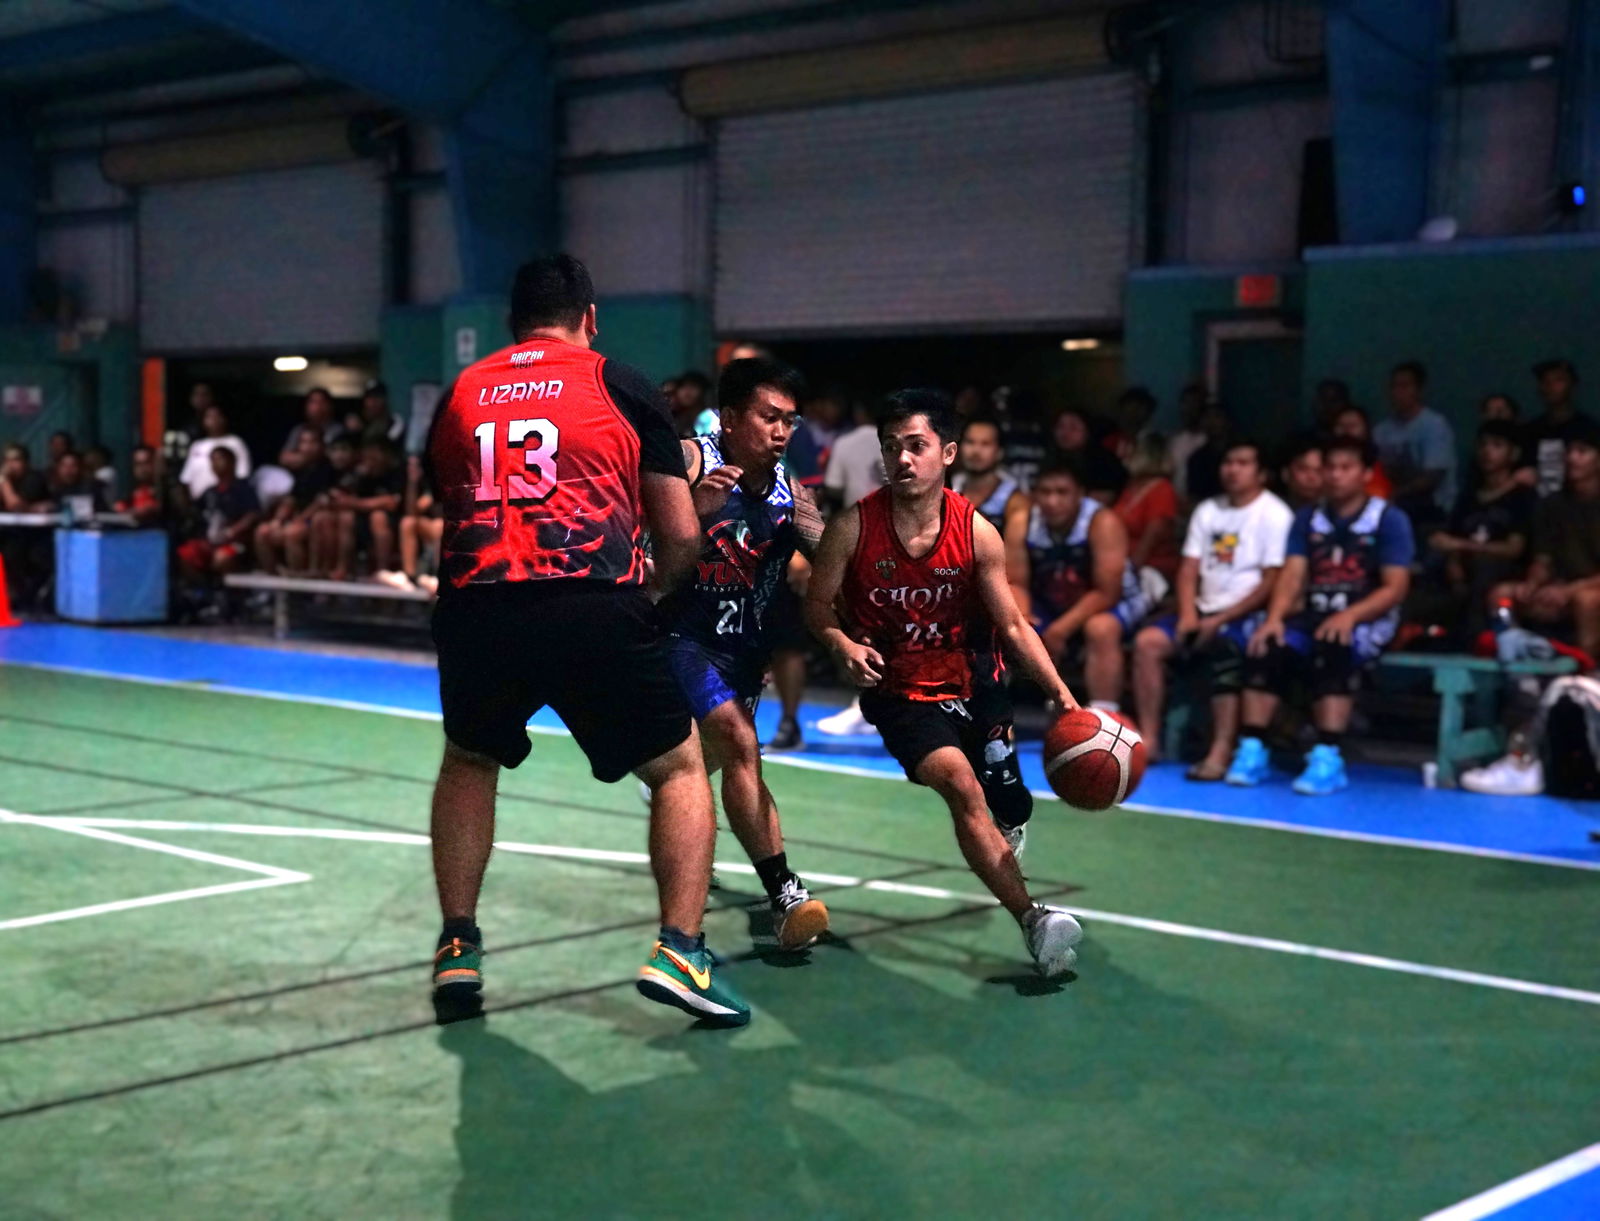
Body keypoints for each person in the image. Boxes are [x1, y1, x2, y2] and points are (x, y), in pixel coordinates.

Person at [424, 253, 745, 1027]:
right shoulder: (620, 383)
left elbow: (452, 498)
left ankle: (457, 945)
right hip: (590, 602)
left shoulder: (461, 391)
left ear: (512, 323)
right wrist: (657, 596)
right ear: (589, 317)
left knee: (470, 759)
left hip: (477, 606)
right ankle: (681, 949)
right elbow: (678, 533)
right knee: (678, 769)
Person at [804, 389, 1085, 976]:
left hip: (976, 678)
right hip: (899, 692)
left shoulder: (977, 532)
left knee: (1009, 799)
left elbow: (1012, 624)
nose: (902, 459)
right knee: (962, 786)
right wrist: (842, 644)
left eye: (916, 445)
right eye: (891, 447)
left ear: (947, 453)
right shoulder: (852, 528)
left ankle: (1006, 821)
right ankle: (1034, 920)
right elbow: (818, 605)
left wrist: (1061, 695)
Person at [657, 356, 830, 949]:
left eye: (790, 421)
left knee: (714, 760)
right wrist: (692, 513)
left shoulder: (792, 493)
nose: (781, 432)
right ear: (729, 418)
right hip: (678, 637)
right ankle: (785, 892)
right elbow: (636, 542)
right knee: (740, 741)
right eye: (768, 417)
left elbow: (834, 558)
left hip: (743, 650)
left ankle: (673, 789)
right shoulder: (687, 461)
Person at [1227, 436, 1414, 795]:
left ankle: (1328, 756)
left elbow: (1395, 588)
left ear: (1366, 474)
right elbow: (1292, 575)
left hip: (1369, 617)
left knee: (1333, 646)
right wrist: (1274, 618)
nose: (1336, 475)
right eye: (1330, 467)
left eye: (1346, 468)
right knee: (1266, 646)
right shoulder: (1308, 518)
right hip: (1314, 614)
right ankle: (1253, 748)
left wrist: (1350, 616)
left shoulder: (1388, 519)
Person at [1132, 437, 1294, 775]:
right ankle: (1150, 739)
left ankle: (1220, 752)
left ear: (1262, 473)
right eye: (1228, 463)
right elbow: (1189, 568)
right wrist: (1189, 614)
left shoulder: (1276, 514)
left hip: (1246, 613)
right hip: (1201, 609)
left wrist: (1220, 619)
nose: (1233, 470)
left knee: (1225, 648)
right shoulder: (1208, 510)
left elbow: (1271, 580)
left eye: (1243, 463)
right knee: (1148, 643)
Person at [1009, 458, 1150, 715]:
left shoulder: (1102, 522)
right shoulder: (1022, 522)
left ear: (1080, 494)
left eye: (1062, 492)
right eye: (1045, 492)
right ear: (1034, 494)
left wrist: (1060, 629)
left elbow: (1107, 592)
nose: (1052, 501)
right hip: (1052, 600)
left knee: (1100, 629)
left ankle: (1105, 715)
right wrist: (1024, 619)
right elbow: (1017, 582)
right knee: (1010, 624)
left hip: (1116, 600)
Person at [1493, 418, 1600, 661]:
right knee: (1502, 594)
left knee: (1587, 600)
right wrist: (1532, 584)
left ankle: (1585, 672)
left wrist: (1570, 590)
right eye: (1569, 451)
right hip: (1560, 586)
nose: (1572, 458)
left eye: (1582, 452)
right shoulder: (1552, 504)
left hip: (1587, 589)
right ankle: (1517, 668)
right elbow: (1543, 558)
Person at [1428, 421, 1538, 638]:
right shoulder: (1469, 496)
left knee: (1484, 566)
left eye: (1497, 445)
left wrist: (1460, 546)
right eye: (1483, 445)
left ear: (1514, 453)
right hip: (1463, 566)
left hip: (1505, 570)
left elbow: (1513, 549)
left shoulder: (1522, 496)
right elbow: (1449, 537)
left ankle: (1477, 641)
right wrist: (1453, 562)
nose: (1488, 452)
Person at [1372, 361, 1456, 528]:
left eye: (1404, 386)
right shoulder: (1382, 430)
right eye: (1394, 386)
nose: (1398, 392)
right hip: (1392, 504)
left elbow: (1433, 477)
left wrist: (1394, 494)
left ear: (1419, 390)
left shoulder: (1434, 425)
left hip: (1432, 508)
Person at [176, 447, 261, 586]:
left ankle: (230, 594)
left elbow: (254, 514)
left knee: (222, 558)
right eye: (212, 460)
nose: (215, 463)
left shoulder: (243, 488)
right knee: (186, 553)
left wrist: (233, 531)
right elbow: (195, 513)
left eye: (220, 459)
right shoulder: (210, 492)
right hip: (211, 542)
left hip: (236, 543)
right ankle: (203, 590)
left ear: (232, 462)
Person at [254, 428, 334, 576]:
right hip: (297, 517)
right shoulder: (300, 469)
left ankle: (298, 579)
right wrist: (278, 520)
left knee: (292, 533)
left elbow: (322, 501)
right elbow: (291, 499)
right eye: (303, 442)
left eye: (312, 442)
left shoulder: (328, 469)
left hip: (315, 519)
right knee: (263, 531)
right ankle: (273, 577)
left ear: (321, 445)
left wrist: (300, 520)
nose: (307, 447)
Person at [1113, 432, 1181, 585]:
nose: (1124, 452)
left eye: (1132, 448)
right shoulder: (1131, 487)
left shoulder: (1162, 490)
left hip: (1148, 570)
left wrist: (1128, 573)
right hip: (1120, 563)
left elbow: (1150, 539)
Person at [331, 439, 404, 577]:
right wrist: (357, 478)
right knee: (346, 517)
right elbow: (339, 498)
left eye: (376, 452)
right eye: (369, 452)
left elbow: (391, 503)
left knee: (378, 517)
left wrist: (357, 503)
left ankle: (382, 570)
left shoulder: (395, 473)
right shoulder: (360, 474)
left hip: (392, 520)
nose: (371, 457)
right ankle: (342, 568)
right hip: (362, 518)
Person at [1524, 359, 1592, 496]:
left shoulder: (1588, 429)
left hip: (1578, 501)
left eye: (1558, 380)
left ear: (1572, 386)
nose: (1551, 386)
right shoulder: (1530, 430)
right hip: (1537, 502)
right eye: (1545, 381)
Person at [378, 454, 443, 594]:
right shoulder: (417, 482)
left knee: (440, 525)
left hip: (451, 526)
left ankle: (439, 578)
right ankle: (410, 577)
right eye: (410, 466)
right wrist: (413, 482)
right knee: (407, 523)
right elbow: (412, 511)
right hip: (430, 526)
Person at [952, 415, 1028, 536]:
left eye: (985, 444)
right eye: (970, 442)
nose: (976, 451)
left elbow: (1013, 548)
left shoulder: (1014, 500)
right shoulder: (947, 488)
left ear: (999, 452)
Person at [0, 442, 55, 609]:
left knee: (15, 554)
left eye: (16, 460)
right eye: (7, 460)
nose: (11, 465)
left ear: (26, 463)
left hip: (36, 535)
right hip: (11, 532)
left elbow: (15, 505)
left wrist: (3, 481)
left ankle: (24, 598)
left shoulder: (33, 478)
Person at [1047, 406, 1126, 504]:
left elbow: (1102, 499)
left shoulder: (1104, 462)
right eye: (1060, 426)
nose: (1065, 433)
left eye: (1073, 428)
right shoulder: (1051, 458)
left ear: (1088, 432)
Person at [822, 398, 887, 512]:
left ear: (858, 413)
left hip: (855, 515)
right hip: (888, 512)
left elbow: (833, 486)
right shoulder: (889, 442)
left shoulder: (844, 442)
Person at [179, 405, 252, 500]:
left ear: (224, 419)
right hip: (199, 502)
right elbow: (186, 478)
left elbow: (242, 475)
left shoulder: (235, 442)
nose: (213, 420)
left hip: (227, 501)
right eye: (209, 417)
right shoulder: (197, 445)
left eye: (217, 416)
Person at [1331, 405, 1395, 499]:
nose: (1346, 430)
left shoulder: (1382, 462)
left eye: (1352, 425)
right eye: (1341, 426)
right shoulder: (1323, 461)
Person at [118, 444, 185, 530]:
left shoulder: (168, 489)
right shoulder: (130, 491)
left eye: (147, 463)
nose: (142, 468)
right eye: (138, 464)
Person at [278, 387, 341, 471]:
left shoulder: (338, 430)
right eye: (313, 402)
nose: (317, 406)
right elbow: (284, 458)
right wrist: (309, 458)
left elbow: (336, 459)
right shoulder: (299, 429)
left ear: (330, 405)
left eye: (322, 402)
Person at [1167, 382, 1209, 501]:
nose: (1190, 408)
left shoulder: (1208, 441)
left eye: (1195, 403)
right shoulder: (1174, 441)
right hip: (1176, 502)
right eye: (1186, 403)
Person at [1183, 401, 1232, 504]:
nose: (1212, 422)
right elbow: (1194, 496)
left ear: (1227, 421)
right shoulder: (1197, 459)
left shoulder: (1240, 455)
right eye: (1207, 417)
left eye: (1216, 417)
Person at [1278, 432, 1325, 510]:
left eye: (1319, 471)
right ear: (1285, 474)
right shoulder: (1271, 511)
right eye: (1303, 469)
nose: (1311, 477)